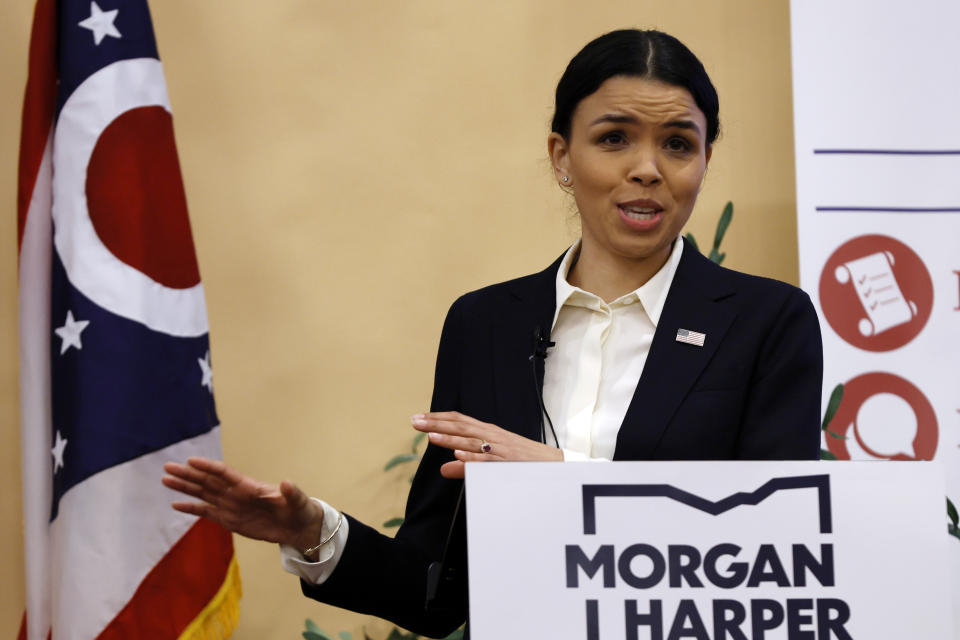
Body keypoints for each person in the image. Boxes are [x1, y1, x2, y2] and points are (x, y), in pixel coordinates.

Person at [162, 29, 822, 638]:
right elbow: (437, 588)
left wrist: (556, 475)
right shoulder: (486, 326)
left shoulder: (767, 324)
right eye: (614, 137)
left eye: (678, 143)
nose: (647, 168)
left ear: (706, 160)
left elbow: (775, 553)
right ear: (562, 156)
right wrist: (315, 534)